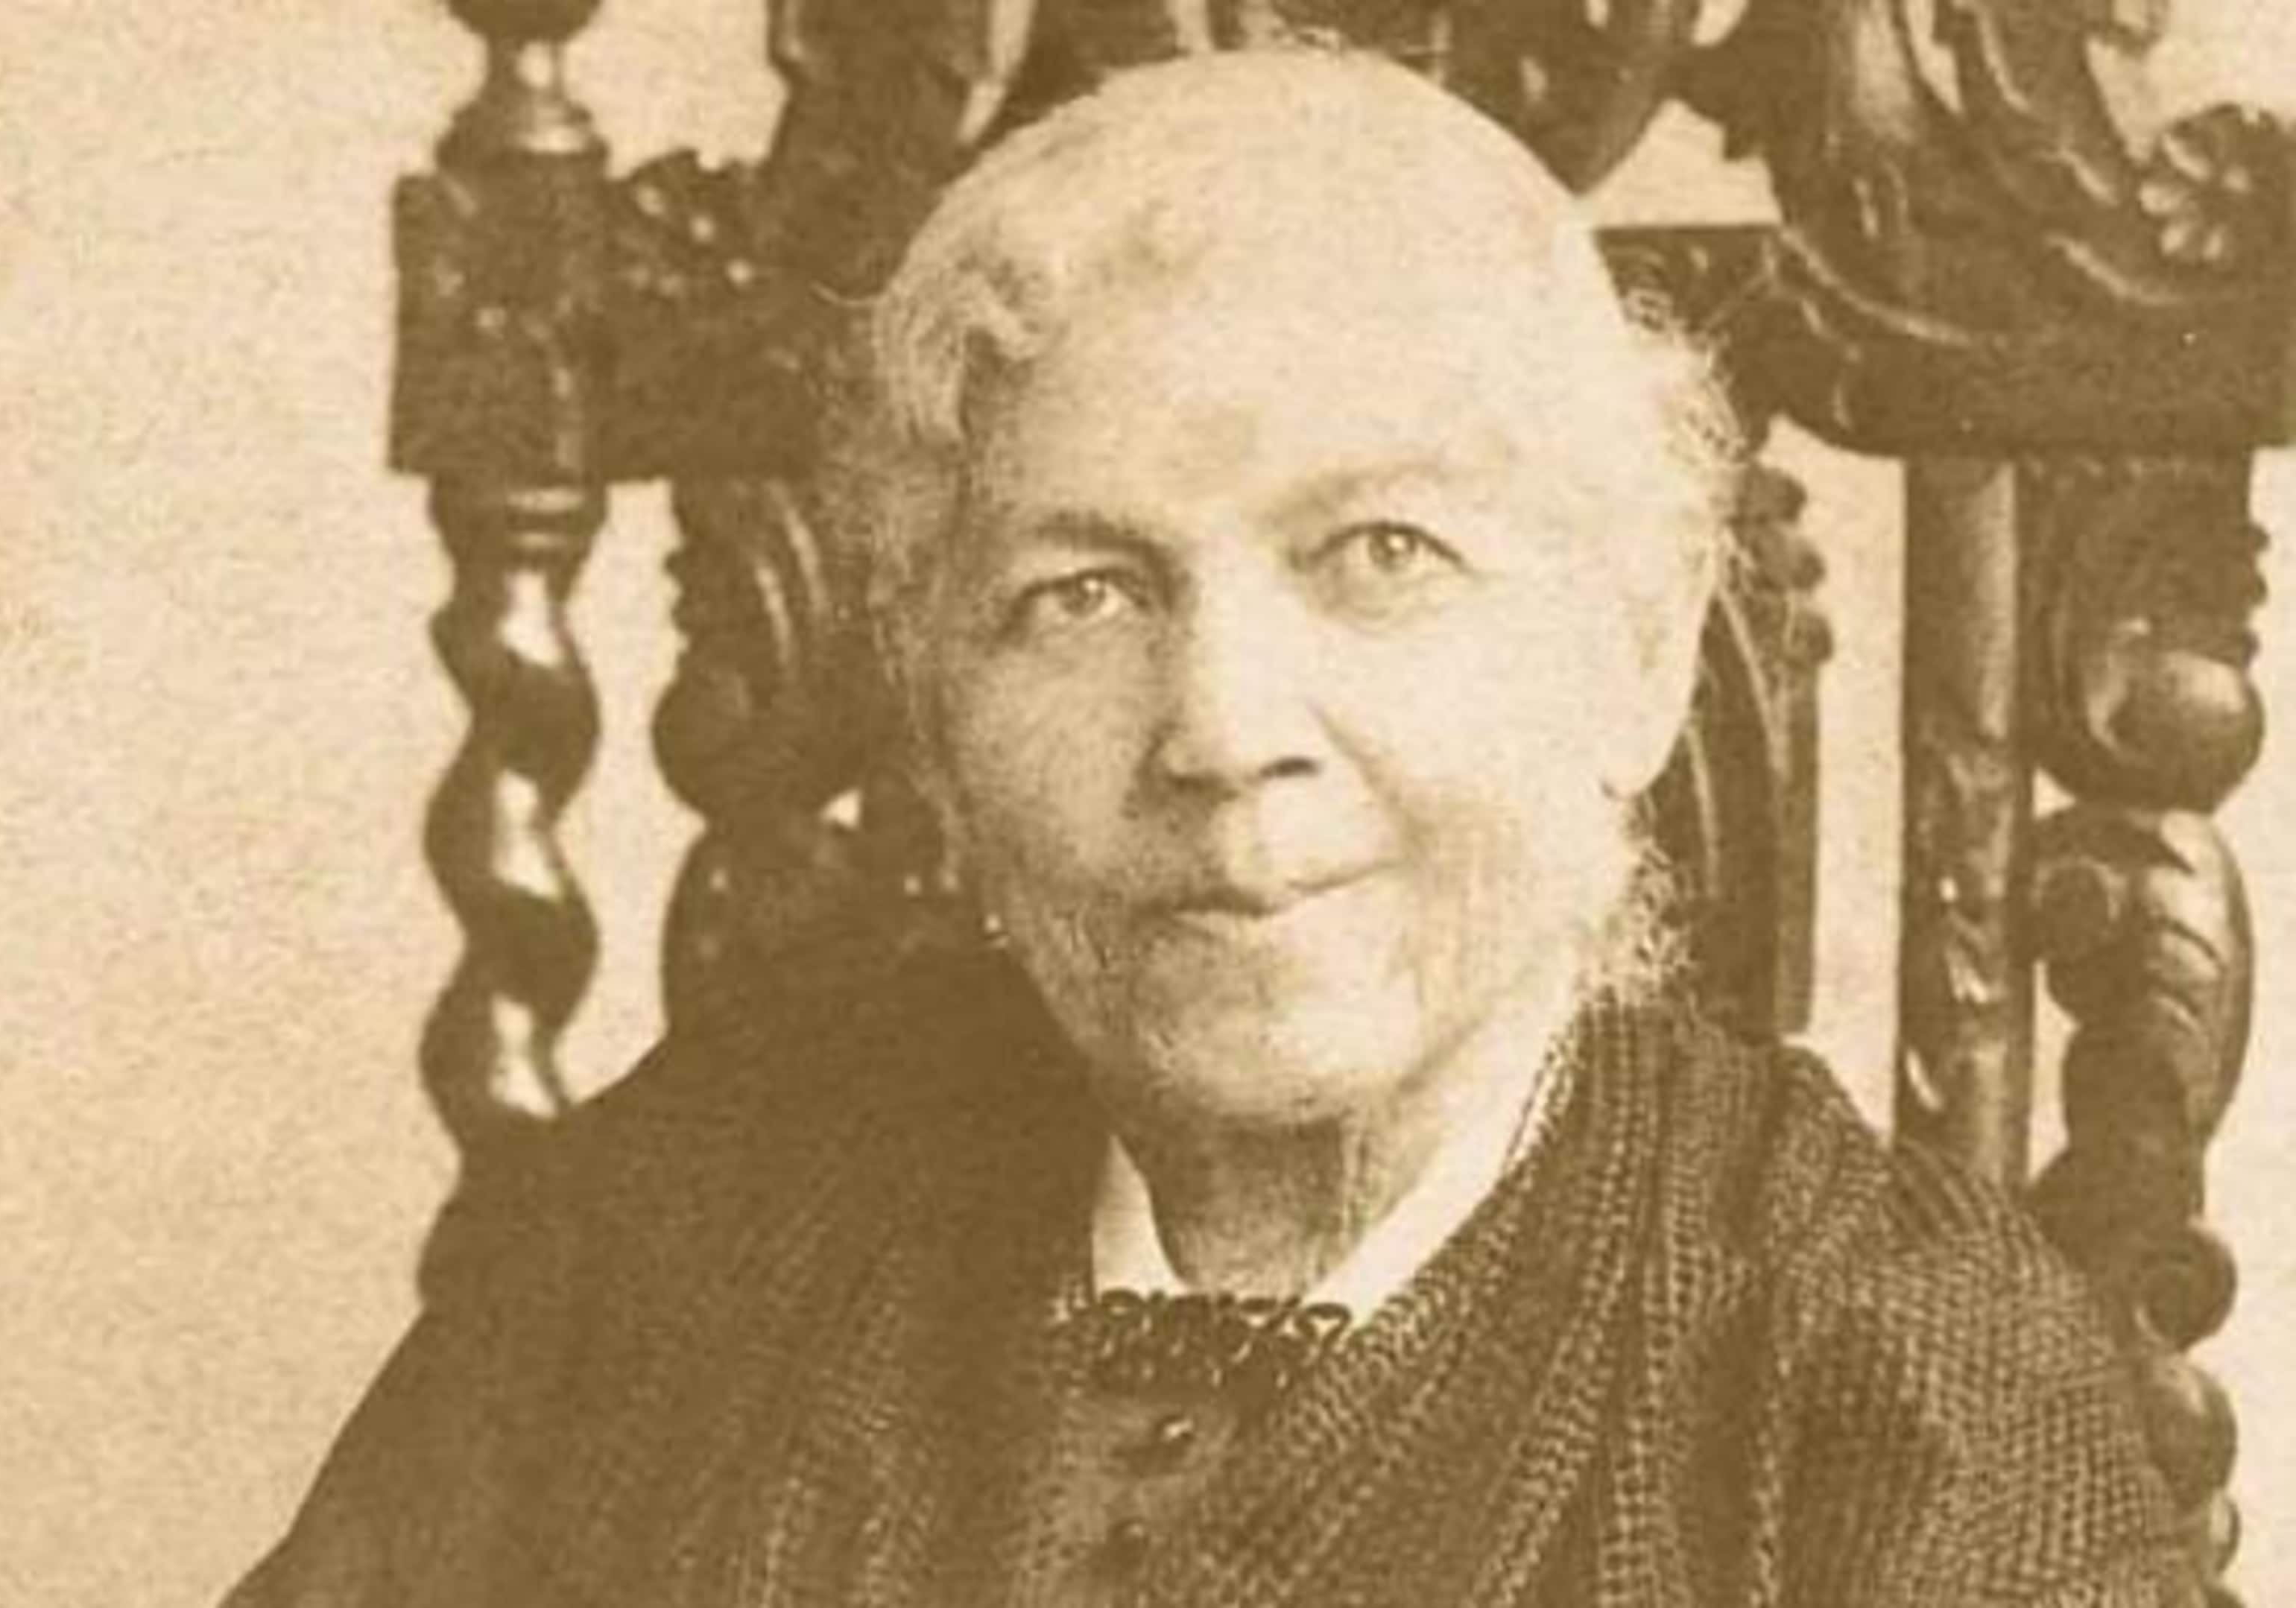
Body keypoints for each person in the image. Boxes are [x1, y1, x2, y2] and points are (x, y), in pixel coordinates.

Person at [226, 49, 2190, 1608]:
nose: (1224, 734)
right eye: (1080, 593)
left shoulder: (1910, 1384)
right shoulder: (675, 1223)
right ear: (935, 704)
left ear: (1639, 650)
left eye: (1380, 555)